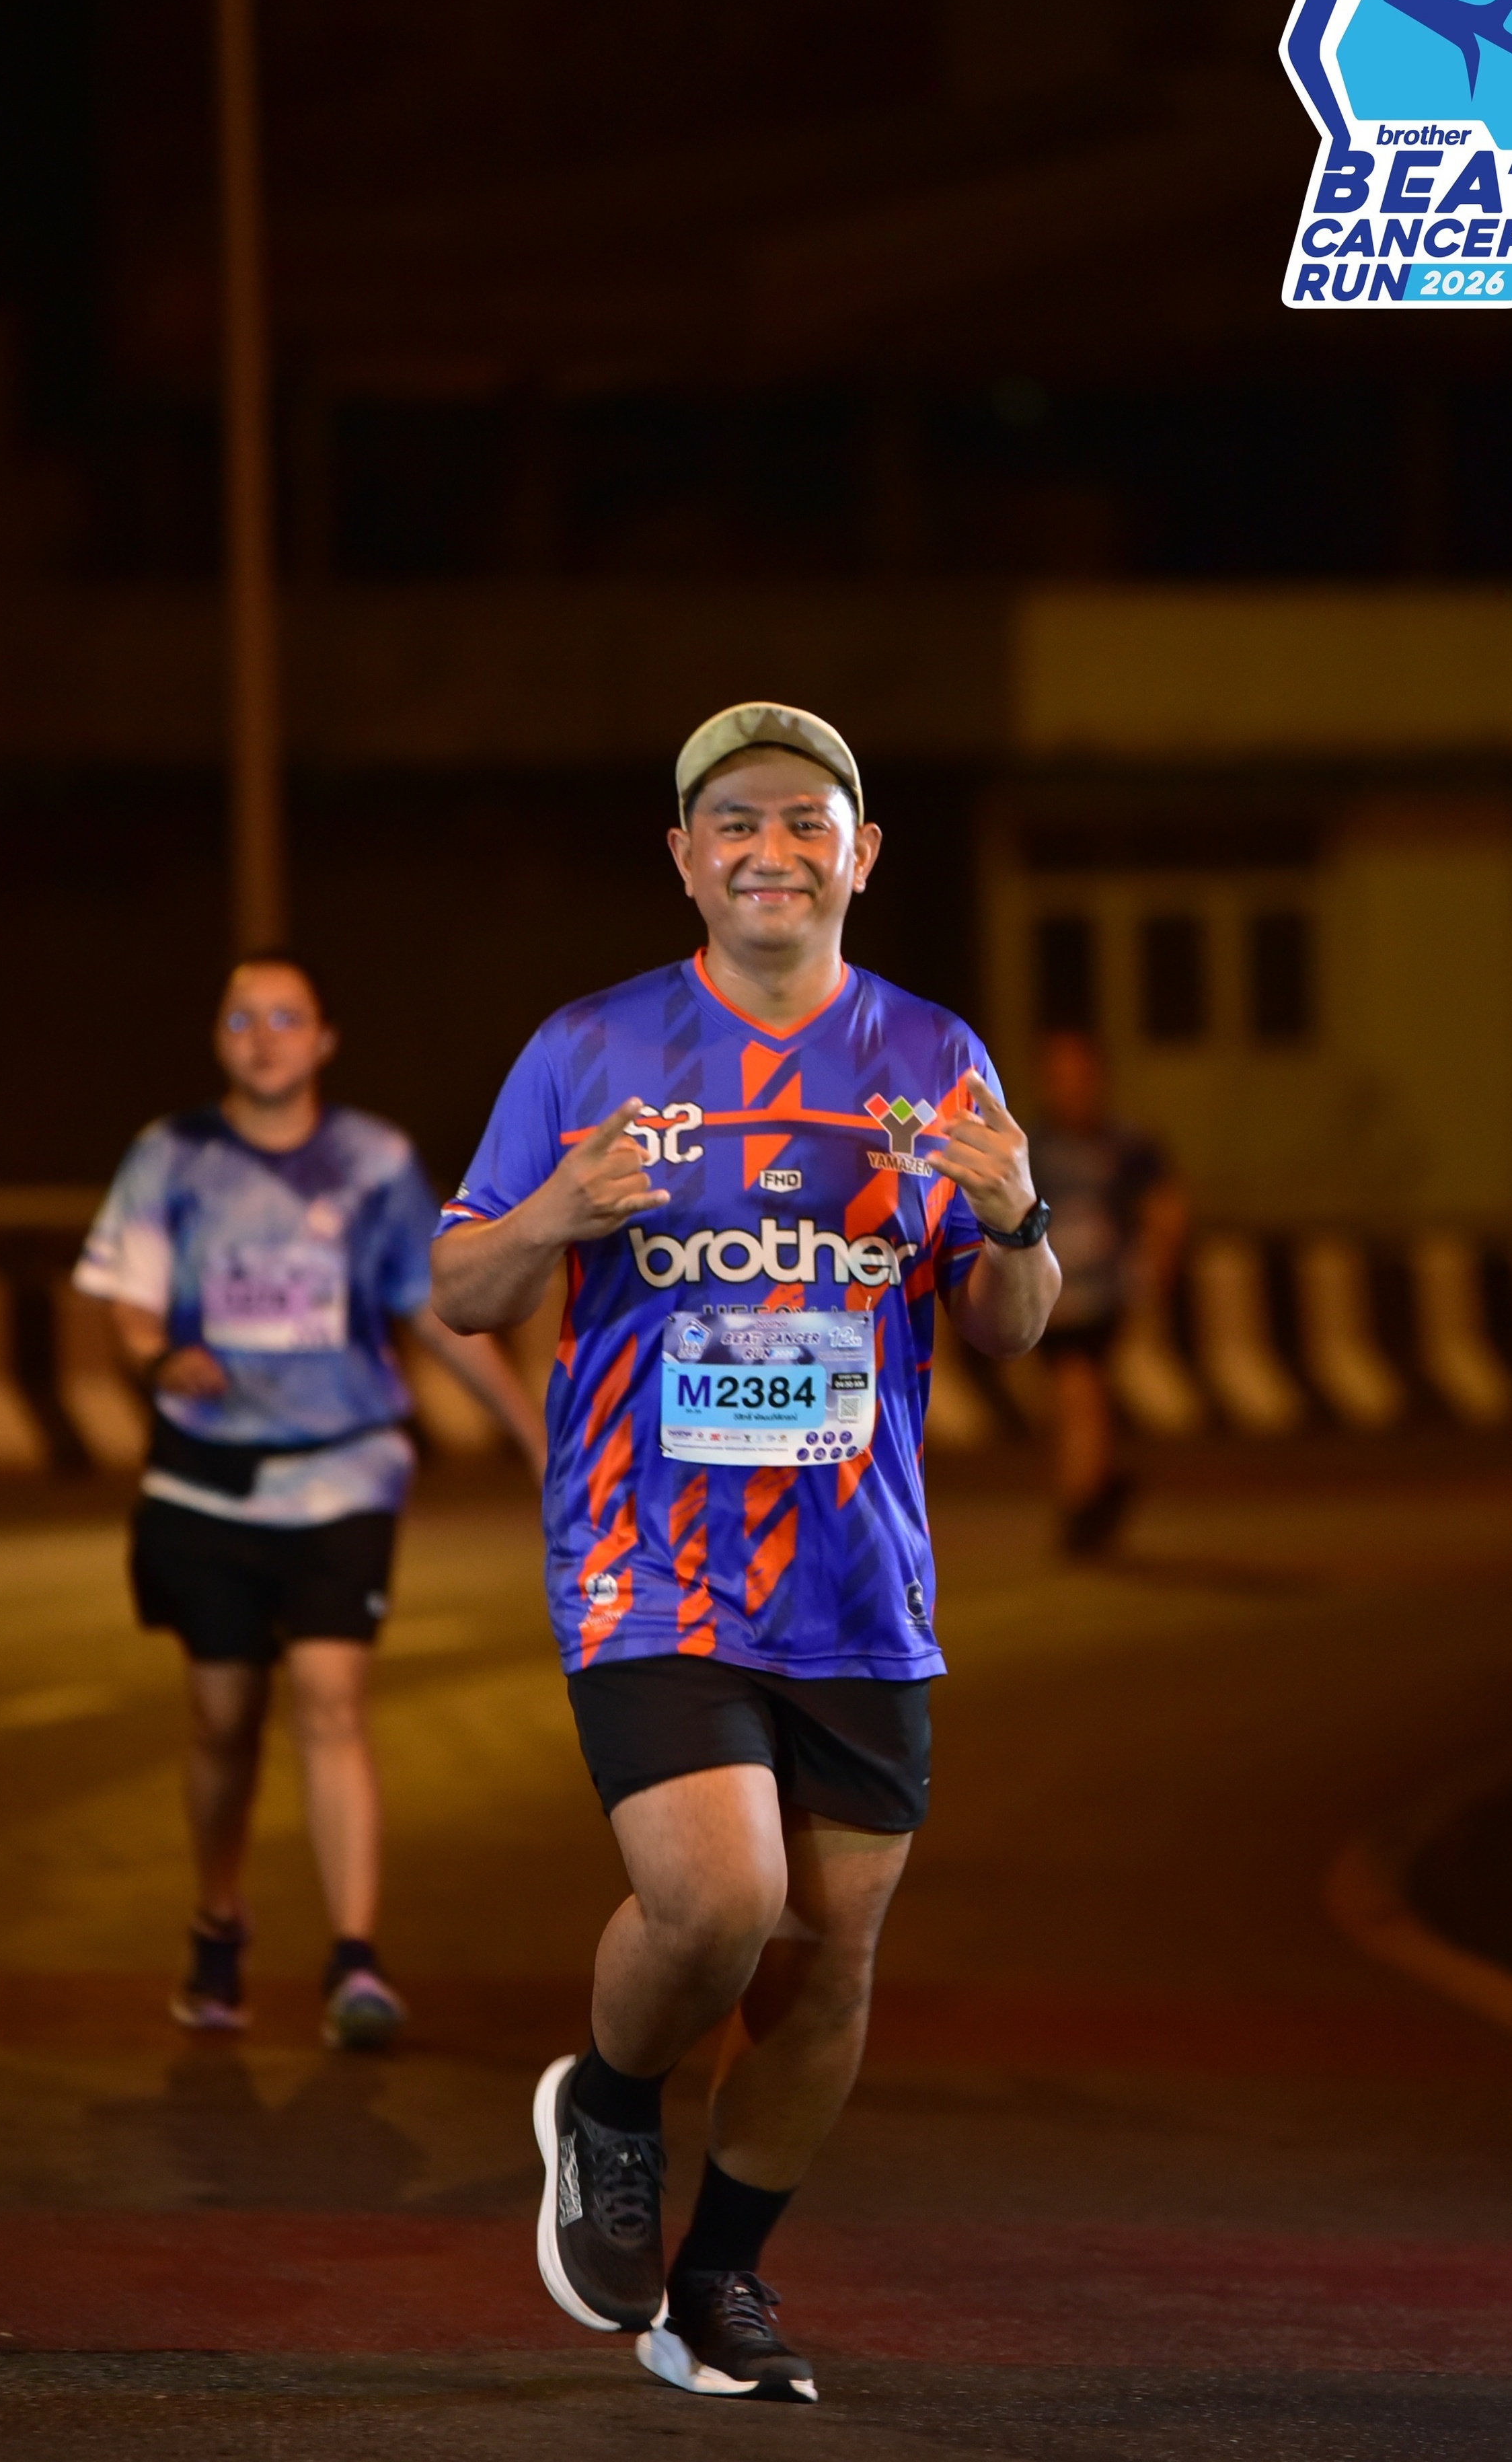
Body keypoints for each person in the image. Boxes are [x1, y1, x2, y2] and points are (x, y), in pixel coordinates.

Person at [432, 701, 1057, 2403]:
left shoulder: (932, 1055)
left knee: (828, 1963)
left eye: (803, 821)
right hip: (648, 1557)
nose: (769, 849)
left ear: (861, 855)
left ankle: (714, 2287)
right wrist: (556, 1214)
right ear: (682, 858)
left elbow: (1009, 1322)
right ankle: (609, 2102)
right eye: (733, 822)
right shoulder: (588, 1046)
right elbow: (462, 1283)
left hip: (858, 1579)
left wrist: (1017, 1217)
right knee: (723, 1900)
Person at [75, 953, 546, 2048]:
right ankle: (218, 1915)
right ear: (219, 1036)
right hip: (205, 1479)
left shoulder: (373, 1163)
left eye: (287, 1018)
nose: (264, 1038)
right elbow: (129, 1304)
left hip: (345, 1473)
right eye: (243, 1019)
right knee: (223, 1722)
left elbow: (431, 1308)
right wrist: (158, 1360)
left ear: (324, 1039)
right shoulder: (171, 1154)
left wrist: (533, 1434)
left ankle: (354, 1960)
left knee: (333, 1701)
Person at [1028, 1029, 1188, 1555]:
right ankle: (1098, 1490)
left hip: (1104, 1297)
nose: (1071, 1089)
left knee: (1082, 1392)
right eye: (1060, 1079)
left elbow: (1165, 1207)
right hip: (1051, 1299)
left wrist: (1155, 1275)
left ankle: (1081, 1507)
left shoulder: (1126, 1144)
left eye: (1081, 1077)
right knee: (1073, 1402)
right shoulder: (1032, 1148)